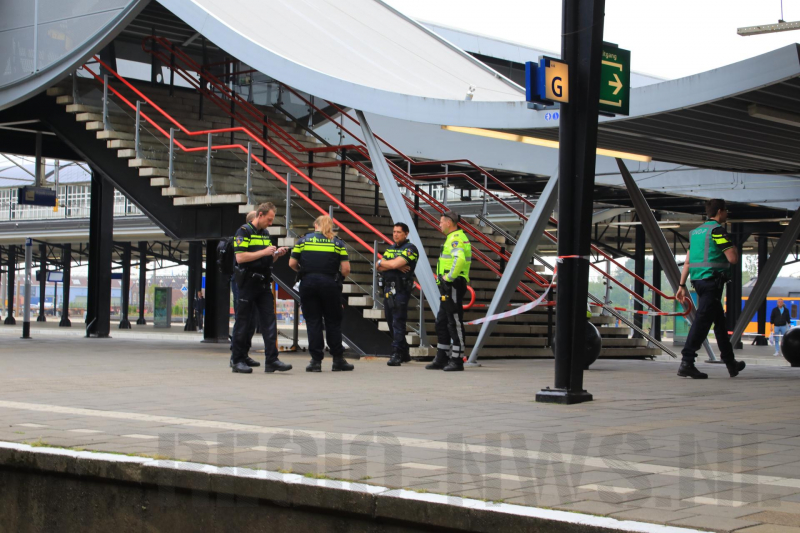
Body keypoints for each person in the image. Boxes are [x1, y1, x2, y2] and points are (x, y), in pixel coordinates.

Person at [675, 198, 746, 379]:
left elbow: (688, 261)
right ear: (720, 211)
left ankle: (731, 363)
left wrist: (681, 285)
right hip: (712, 282)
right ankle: (687, 362)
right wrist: (734, 247)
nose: (727, 214)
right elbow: (732, 259)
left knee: (719, 324)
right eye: (726, 211)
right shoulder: (717, 231)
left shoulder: (697, 233)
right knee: (702, 321)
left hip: (698, 282)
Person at [230, 202, 292, 374]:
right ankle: (237, 360)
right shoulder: (243, 232)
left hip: (263, 283)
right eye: (269, 219)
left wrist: (276, 255)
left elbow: (267, 259)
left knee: (269, 322)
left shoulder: (265, 234)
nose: (270, 224)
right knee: (243, 322)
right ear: (260, 215)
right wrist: (264, 253)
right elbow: (241, 257)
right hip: (248, 283)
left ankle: (272, 360)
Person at [289, 215, 354, 372]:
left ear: (315, 225)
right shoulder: (337, 243)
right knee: (332, 321)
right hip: (330, 285)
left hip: (308, 284)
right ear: (330, 226)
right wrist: (337, 278)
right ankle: (338, 360)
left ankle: (315, 361)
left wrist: (305, 272)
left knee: (313, 321)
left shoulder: (303, 241)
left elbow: (292, 263)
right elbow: (346, 269)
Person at [427, 210, 471, 372]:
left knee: (454, 321)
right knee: (442, 321)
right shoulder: (453, 238)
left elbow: (459, 260)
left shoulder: (455, 239)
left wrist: (448, 278)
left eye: (441, 222)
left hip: (452, 285)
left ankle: (457, 359)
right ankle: (442, 356)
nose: (439, 224)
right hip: (448, 286)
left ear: (449, 222)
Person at [377, 222, 419, 366]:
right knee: (390, 320)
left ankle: (396, 353)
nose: (395, 234)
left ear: (406, 234)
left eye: (399, 232)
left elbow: (390, 264)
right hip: (388, 289)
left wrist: (389, 264)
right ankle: (405, 351)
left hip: (401, 290)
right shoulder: (391, 248)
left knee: (397, 321)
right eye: (394, 231)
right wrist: (392, 264)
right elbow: (378, 265)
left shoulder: (411, 249)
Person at [229, 210, 260, 367]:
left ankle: (244, 353)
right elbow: (240, 257)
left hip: (254, 281)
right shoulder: (242, 233)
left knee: (252, 320)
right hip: (241, 280)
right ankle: (236, 356)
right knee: (242, 319)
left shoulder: (260, 235)